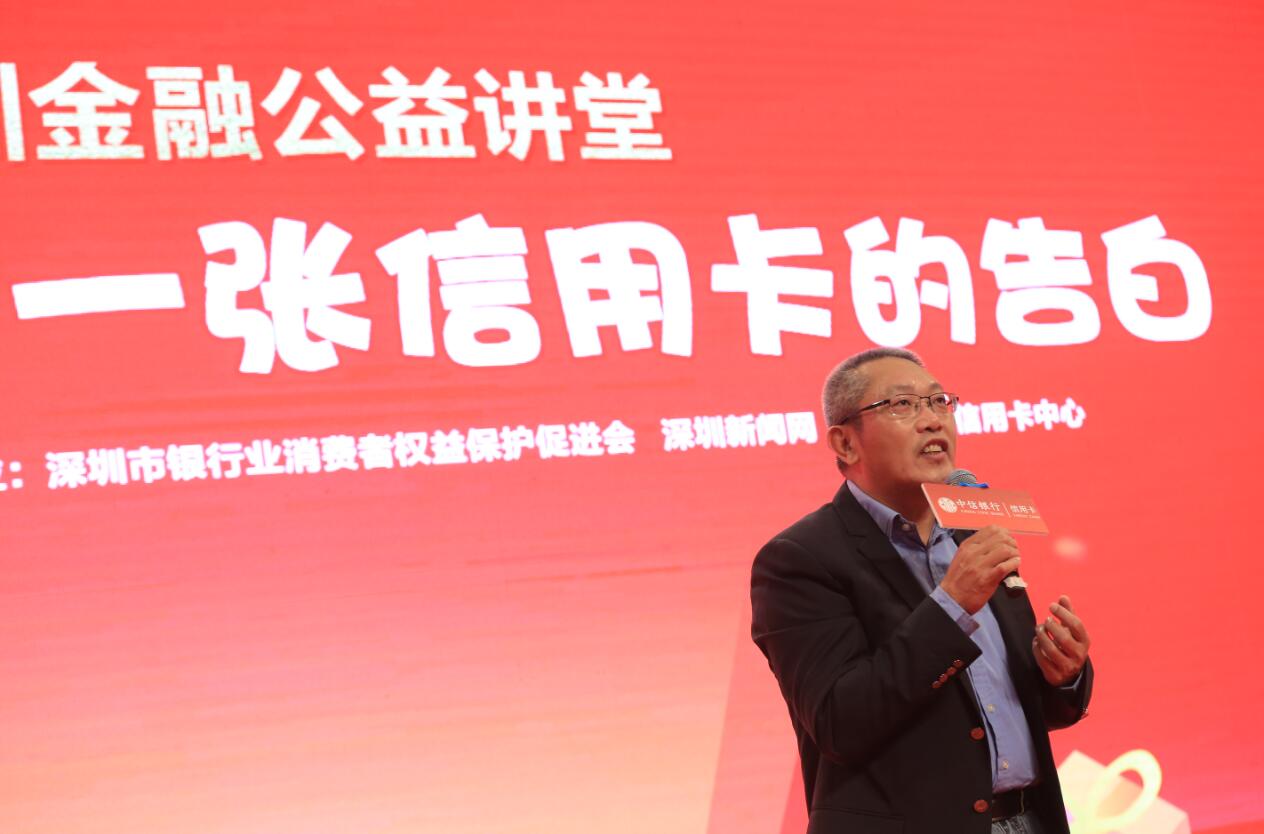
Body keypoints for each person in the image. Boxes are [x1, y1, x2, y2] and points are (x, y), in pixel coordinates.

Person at [750, 348, 1093, 834]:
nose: (932, 420)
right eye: (902, 405)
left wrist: (1061, 676)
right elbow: (840, 722)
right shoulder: (799, 559)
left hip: (1029, 819)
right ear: (845, 443)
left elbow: (1003, 711)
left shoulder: (971, 530)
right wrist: (951, 606)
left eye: (939, 402)